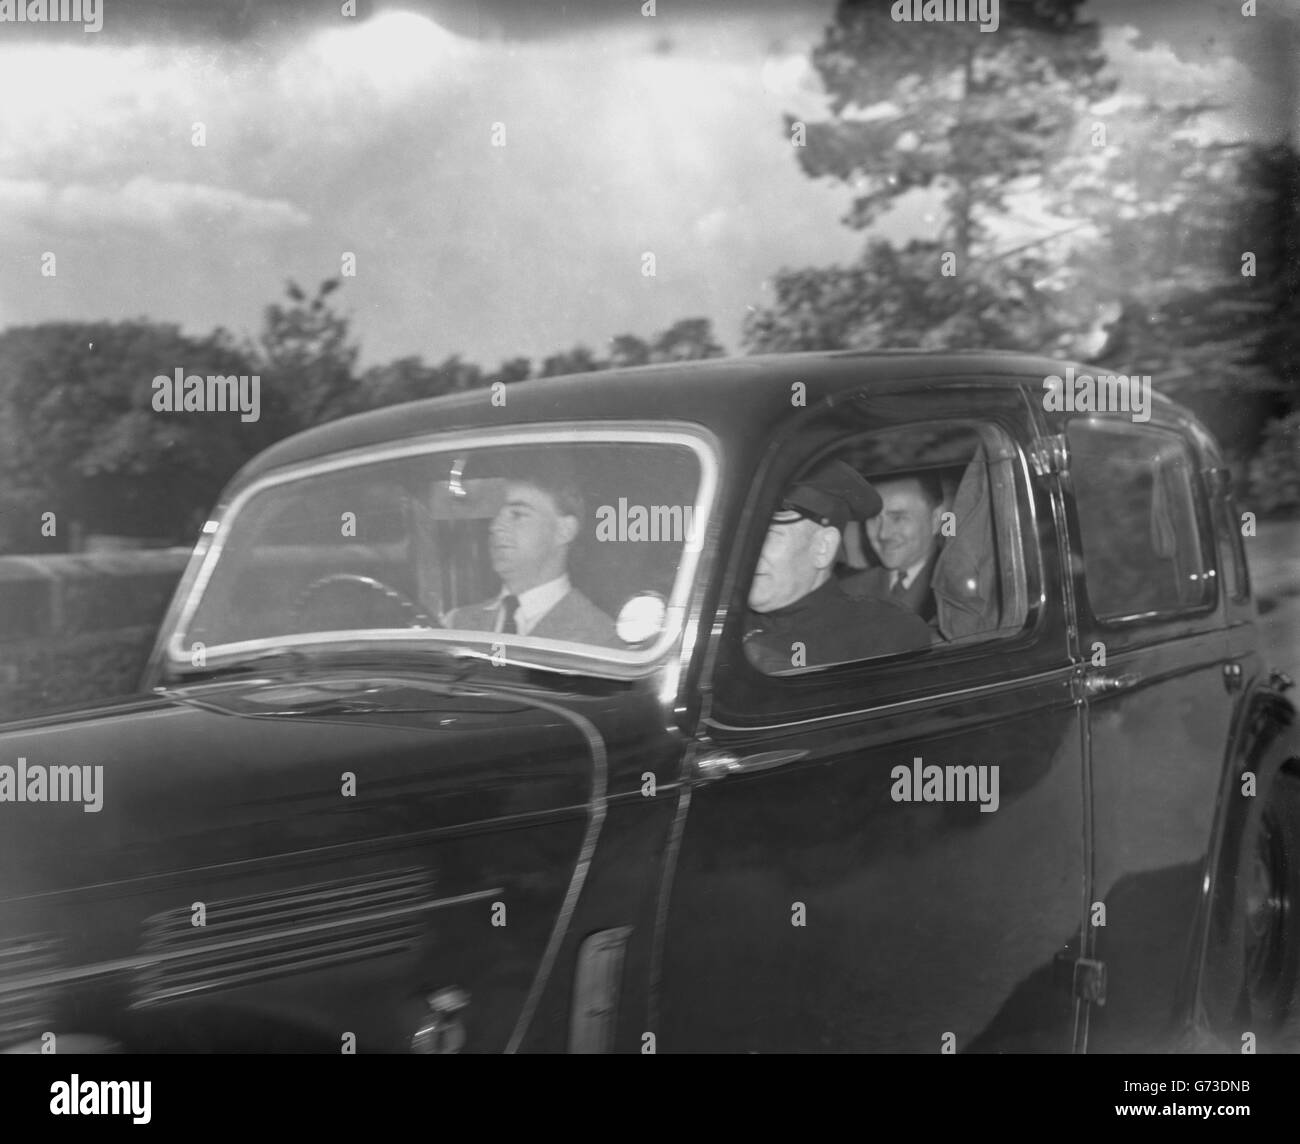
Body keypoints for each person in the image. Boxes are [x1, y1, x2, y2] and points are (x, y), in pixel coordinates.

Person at [743, 461, 933, 673]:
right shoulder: (715, 618)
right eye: (745, 537)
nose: (747, 552)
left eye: (768, 536)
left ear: (823, 548)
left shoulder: (882, 639)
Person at [442, 462, 619, 647]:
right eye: (495, 515)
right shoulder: (456, 624)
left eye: (517, 514)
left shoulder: (602, 639)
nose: (495, 527)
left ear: (564, 530)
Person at [846, 473, 947, 623]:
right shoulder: (848, 591)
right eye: (873, 518)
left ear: (935, 519)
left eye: (898, 518)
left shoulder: (961, 593)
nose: (883, 534)